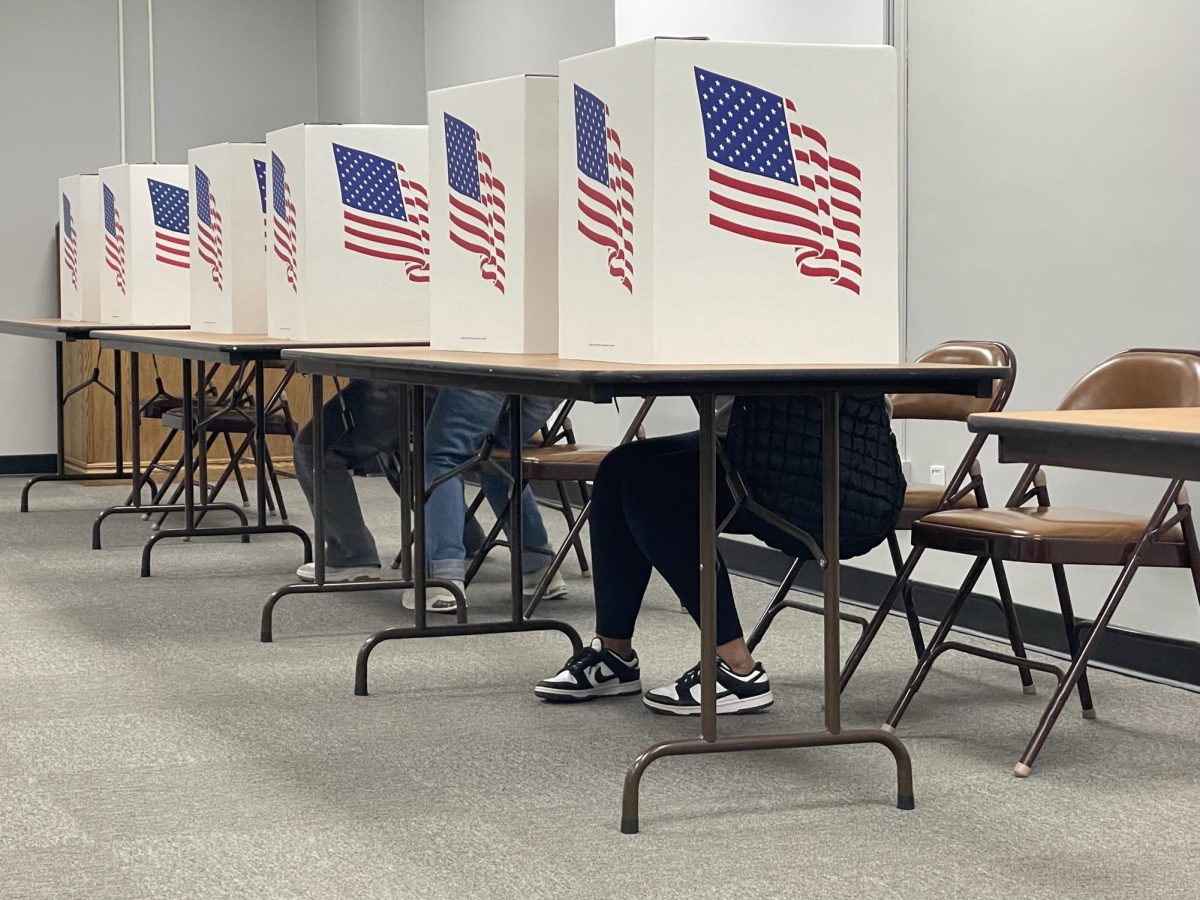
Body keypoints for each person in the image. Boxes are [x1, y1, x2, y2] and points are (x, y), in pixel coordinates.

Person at [534, 394, 905, 715]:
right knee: (620, 467)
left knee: (649, 485)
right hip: (763, 447)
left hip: (829, 473)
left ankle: (738, 670)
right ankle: (615, 656)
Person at [293, 380, 567, 612]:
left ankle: (442, 579)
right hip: (549, 377)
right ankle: (538, 565)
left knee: (441, 456)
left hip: (480, 364)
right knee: (497, 461)